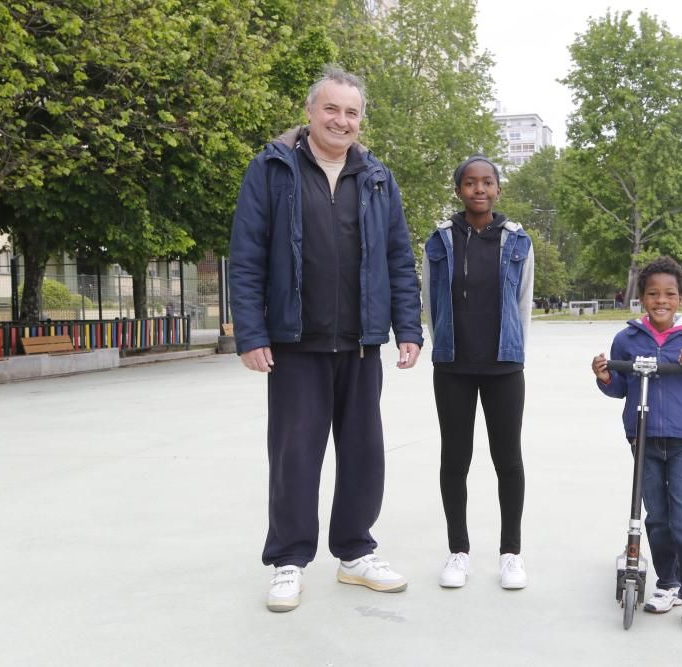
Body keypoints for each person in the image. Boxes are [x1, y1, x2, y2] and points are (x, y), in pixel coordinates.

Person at [229, 66, 423, 612]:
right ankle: (288, 561)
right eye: (331, 109)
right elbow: (246, 258)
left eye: (352, 112)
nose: (341, 120)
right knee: (295, 455)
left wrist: (407, 327)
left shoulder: (379, 178)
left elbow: (398, 260)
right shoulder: (271, 169)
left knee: (364, 454)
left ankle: (356, 553)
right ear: (311, 111)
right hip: (295, 344)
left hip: (362, 343)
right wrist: (251, 331)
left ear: (361, 120)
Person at [590, 257, 682, 633]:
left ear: (680, 297)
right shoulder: (629, 338)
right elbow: (619, 388)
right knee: (656, 518)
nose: (660, 300)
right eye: (653, 294)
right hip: (644, 438)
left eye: (669, 293)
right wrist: (605, 375)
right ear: (642, 297)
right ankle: (668, 582)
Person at [422, 155, 534, 590]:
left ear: (498, 189)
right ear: (459, 190)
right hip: (453, 366)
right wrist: (442, 347)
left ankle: (511, 554)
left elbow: (523, 303)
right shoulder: (439, 240)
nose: (479, 190)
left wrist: (516, 352)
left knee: (508, 460)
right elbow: (430, 301)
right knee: (455, 460)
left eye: (487, 182)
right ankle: (458, 552)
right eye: (470, 183)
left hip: (504, 367)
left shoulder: (518, 241)